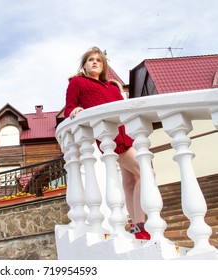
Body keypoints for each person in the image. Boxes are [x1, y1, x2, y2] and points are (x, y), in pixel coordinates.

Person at [64, 46, 150, 240]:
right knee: (146, 172)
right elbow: (69, 107)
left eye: (99, 60)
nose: (95, 62)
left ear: (103, 66)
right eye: (90, 60)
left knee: (131, 181)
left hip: (127, 135)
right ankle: (141, 224)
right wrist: (76, 110)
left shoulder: (112, 87)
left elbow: (124, 109)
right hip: (111, 139)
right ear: (84, 65)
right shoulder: (77, 82)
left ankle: (136, 227)